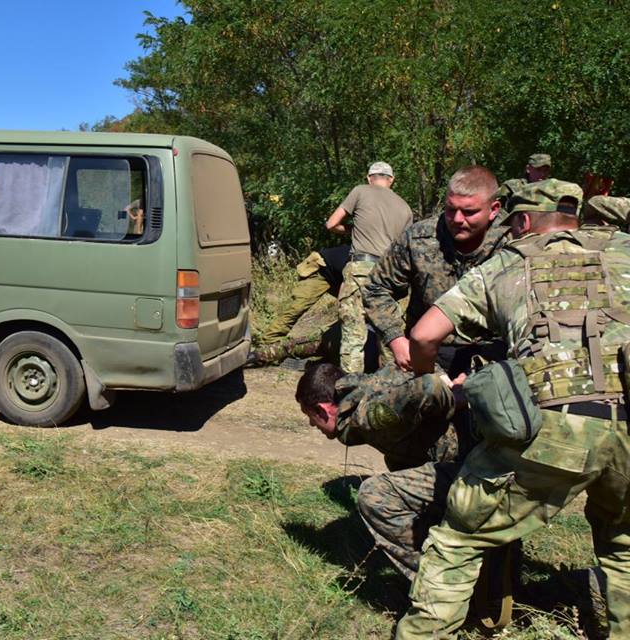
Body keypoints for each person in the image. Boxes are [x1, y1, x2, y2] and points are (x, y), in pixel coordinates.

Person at [396, 179, 630, 638]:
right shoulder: (623, 250)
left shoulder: (506, 264)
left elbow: (424, 336)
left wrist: (433, 378)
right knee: (625, 547)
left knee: (460, 538)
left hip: (555, 427)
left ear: (521, 222)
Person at [297, 361, 479, 581]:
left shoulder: (367, 414)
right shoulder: (373, 382)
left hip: (471, 468)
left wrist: (455, 397)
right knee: (397, 460)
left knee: (374, 497)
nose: (310, 424)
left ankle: (438, 582)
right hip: (476, 453)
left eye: (310, 416)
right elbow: (426, 368)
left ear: (322, 409)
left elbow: (430, 386)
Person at [363, 165, 509, 377]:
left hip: (492, 356)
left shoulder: (513, 242)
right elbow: (376, 287)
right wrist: (395, 338)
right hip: (426, 354)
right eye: (451, 209)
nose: (458, 219)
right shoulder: (419, 238)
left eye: (469, 212)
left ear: (494, 209)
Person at [326, 161, 412, 373]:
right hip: (389, 273)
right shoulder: (405, 208)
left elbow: (331, 224)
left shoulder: (360, 191)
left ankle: (351, 392)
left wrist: (351, 231)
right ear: (391, 180)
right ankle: (391, 390)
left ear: (369, 178)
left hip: (361, 269)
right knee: (389, 337)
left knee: (354, 336)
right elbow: (404, 249)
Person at [248, 244, 349, 367]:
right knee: (295, 309)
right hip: (321, 271)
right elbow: (344, 297)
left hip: (337, 276)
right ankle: (268, 345)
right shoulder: (362, 259)